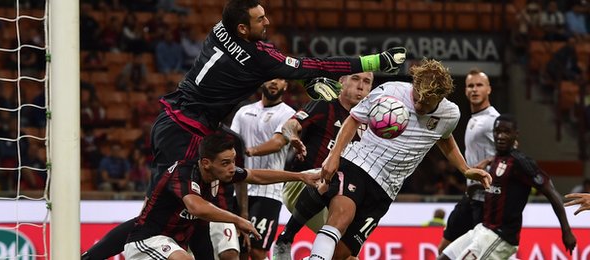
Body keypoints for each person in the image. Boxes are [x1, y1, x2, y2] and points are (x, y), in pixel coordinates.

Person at [82, 0, 406, 257]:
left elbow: (267, 68)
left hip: (176, 121)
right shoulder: (258, 57)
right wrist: (374, 62)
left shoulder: (219, 30)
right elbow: (310, 64)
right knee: (159, 217)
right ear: (243, 26)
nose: (267, 23)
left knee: (190, 213)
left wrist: (306, 79)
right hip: (184, 132)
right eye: (260, 19)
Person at [305, 59, 492, 260]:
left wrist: (465, 169)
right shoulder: (390, 91)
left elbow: (445, 139)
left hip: (386, 189)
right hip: (358, 165)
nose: (419, 105)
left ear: (439, 99)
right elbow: (354, 118)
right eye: (417, 98)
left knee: (342, 253)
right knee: (341, 217)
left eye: (426, 103)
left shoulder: (450, 114)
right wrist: (333, 156)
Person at [123, 132, 321, 260]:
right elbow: (196, 207)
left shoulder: (218, 172)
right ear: (207, 163)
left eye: (233, 161)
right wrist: (238, 219)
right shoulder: (183, 173)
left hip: (175, 243)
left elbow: (255, 175)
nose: (232, 168)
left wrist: (300, 176)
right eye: (226, 163)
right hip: (147, 241)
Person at [439, 115, 576, 259]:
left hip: (501, 236)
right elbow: (500, 191)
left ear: (515, 135)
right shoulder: (497, 159)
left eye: (506, 132)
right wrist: (477, 190)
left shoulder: (521, 163)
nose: (501, 136)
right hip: (482, 229)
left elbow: (551, 192)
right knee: (443, 257)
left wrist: (566, 230)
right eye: (497, 132)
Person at [272, 72, 374, 260]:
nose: (360, 86)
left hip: (333, 195)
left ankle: (289, 240)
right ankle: (286, 238)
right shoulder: (325, 104)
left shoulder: (369, 124)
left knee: (346, 255)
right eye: (355, 79)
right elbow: (290, 125)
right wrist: (293, 137)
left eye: (366, 82)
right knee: (330, 171)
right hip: (300, 184)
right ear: (341, 83)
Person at [230, 78, 296, 260]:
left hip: (269, 191)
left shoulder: (289, 114)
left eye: (280, 79)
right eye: (270, 78)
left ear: (286, 85)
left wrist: (249, 152)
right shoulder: (244, 112)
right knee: (239, 249)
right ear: (262, 82)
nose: (274, 83)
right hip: (240, 190)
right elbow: (232, 141)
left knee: (258, 250)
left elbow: (277, 143)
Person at [436, 69, 500, 255]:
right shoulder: (474, 119)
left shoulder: (493, 120)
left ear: (489, 89)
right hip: (470, 197)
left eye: (479, 85)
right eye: (470, 86)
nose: (474, 89)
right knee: (444, 250)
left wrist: (487, 161)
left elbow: (512, 154)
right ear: (465, 91)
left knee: (479, 255)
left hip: (487, 201)